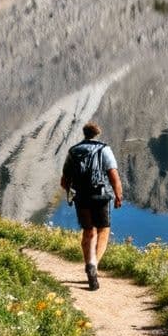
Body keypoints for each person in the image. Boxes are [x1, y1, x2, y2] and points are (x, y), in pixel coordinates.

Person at [59, 122, 122, 290]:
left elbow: (64, 181)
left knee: (88, 231)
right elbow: (113, 175)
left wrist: (74, 191)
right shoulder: (104, 149)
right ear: (97, 134)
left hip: (82, 197)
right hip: (101, 196)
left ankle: (89, 262)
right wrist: (118, 195)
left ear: (84, 133)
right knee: (103, 230)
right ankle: (94, 265)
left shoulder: (73, 151)